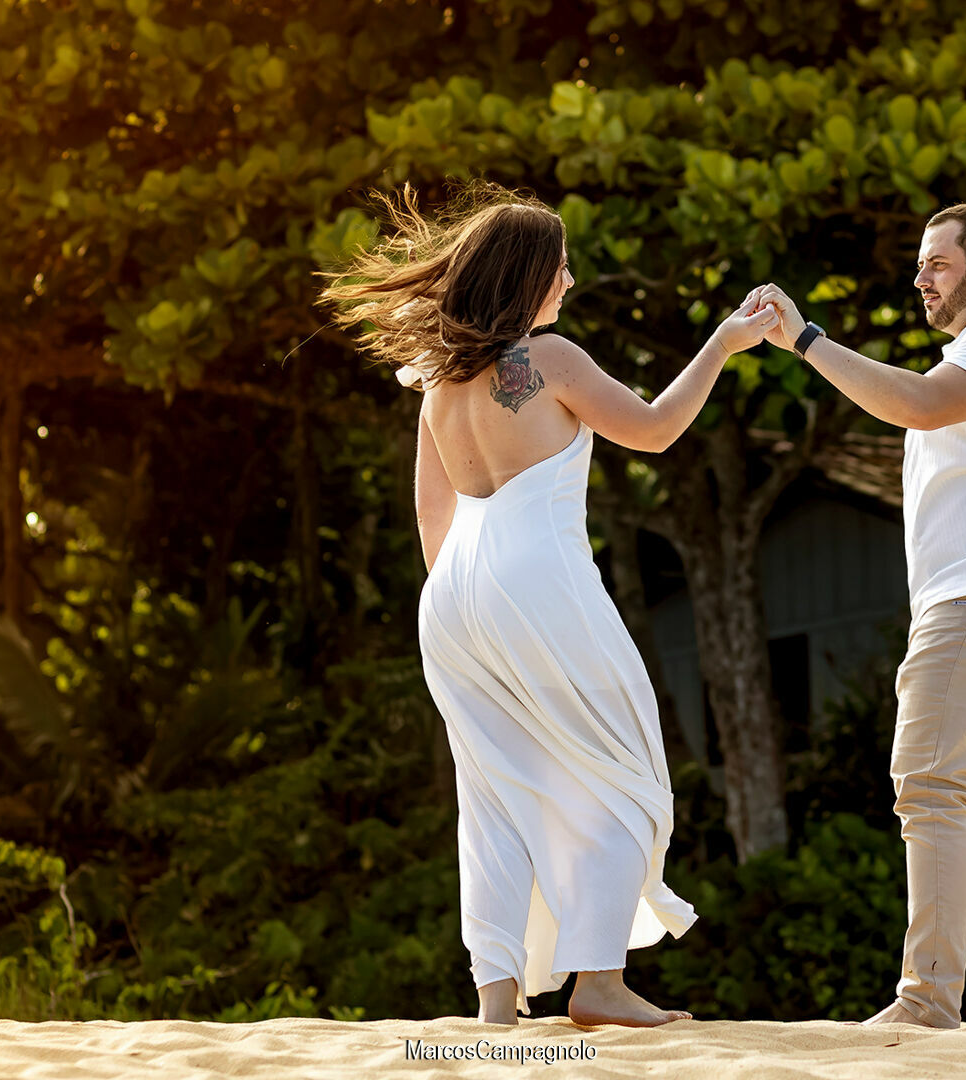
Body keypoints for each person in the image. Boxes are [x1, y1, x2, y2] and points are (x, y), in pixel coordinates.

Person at [321, 187, 778, 1027]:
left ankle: (497, 996)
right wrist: (723, 340)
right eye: (558, 266)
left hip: (453, 591)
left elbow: (431, 513)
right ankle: (596, 983)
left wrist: (467, 614)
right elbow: (655, 428)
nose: (568, 279)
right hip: (535, 577)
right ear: (527, 277)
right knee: (625, 771)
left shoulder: (438, 382)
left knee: (491, 791)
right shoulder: (550, 359)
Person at [752, 203, 966, 1028]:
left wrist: (806, 340)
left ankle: (926, 1002)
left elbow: (921, 405)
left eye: (936, 263)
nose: (920, 278)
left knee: (928, 785)